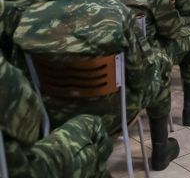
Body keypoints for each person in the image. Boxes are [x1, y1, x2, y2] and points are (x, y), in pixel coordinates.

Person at [14, 0, 179, 171]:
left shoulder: (29, 16)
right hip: (112, 114)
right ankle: (161, 150)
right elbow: (142, 74)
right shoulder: (116, 13)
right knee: (159, 65)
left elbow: (22, 79)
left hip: (53, 115)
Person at [1, 41, 113, 178]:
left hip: (50, 112)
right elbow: (31, 129)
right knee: (93, 126)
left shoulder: (21, 37)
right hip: (20, 171)